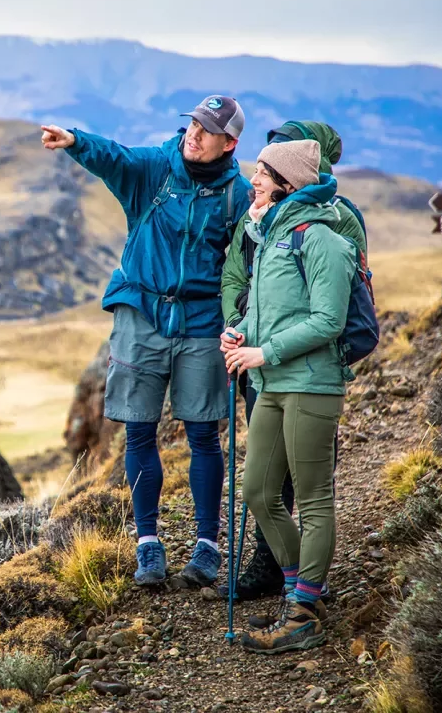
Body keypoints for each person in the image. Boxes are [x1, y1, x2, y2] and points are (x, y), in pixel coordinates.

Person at [42, 96, 252, 588]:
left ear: (230, 143)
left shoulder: (237, 195)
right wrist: (76, 141)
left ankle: (207, 546)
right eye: (193, 124)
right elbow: (114, 157)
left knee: (202, 434)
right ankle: (148, 545)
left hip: (202, 321)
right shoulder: (155, 169)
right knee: (138, 431)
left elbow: (249, 259)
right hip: (142, 314)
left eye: (207, 130)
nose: (194, 135)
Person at [218, 121, 366, 603]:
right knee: (258, 493)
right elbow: (270, 310)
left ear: (288, 183)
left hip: (310, 383)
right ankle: (296, 582)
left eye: (263, 171)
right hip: (270, 382)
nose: (254, 178)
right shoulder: (268, 235)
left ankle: (304, 607)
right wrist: (240, 333)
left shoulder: (323, 239)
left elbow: (327, 321)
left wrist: (265, 350)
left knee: (314, 499)